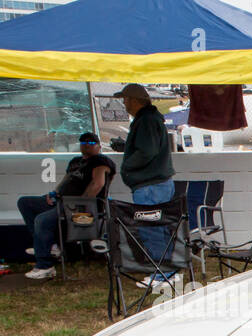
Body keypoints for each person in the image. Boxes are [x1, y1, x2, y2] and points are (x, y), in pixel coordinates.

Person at [18, 131, 116, 281]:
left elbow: (98, 183)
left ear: (98, 146)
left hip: (81, 206)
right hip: (61, 200)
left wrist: (80, 203)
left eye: (91, 143)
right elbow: (66, 181)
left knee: (42, 220)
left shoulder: (101, 161)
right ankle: (50, 247)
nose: (86, 146)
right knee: (25, 203)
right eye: (83, 143)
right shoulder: (76, 161)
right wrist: (54, 193)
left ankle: (45, 265)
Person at [113, 83, 176, 285]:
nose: (124, 104)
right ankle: (168, 271)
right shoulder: (150, 119)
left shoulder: (146, 120)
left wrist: (127, 167)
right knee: (160, 227)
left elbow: (147, 151)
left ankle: (162, 274)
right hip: (157, 184)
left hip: (150, 186)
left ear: (135, 100)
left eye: (126, 100)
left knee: (152, 228)